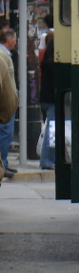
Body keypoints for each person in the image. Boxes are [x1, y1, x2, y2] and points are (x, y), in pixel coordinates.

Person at [0, 29, 17, 178]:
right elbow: (6, 89)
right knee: (5, 133)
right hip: (5, 108)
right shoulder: (2, 57)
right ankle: (3, 163)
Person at [39, 24, 55, 170]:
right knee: (52, 128)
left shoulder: (47, 54)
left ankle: (49, 159)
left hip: (47, 97)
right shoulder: (52, 59)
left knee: (51, 127)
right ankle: (48, 160)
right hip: (52, 98)